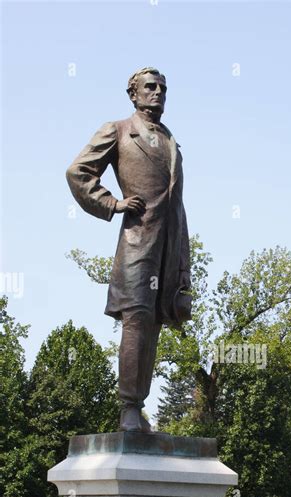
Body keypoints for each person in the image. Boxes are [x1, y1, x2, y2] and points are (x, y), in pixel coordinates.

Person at [66, 66, 191, 432]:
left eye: (163, 88)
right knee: (136, 319)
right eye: (149, 87)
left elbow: (178, 206)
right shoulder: (118, 131)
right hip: (137, 243)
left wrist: (184, 266)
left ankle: (140, 408)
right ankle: (129, 409)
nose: (157, 93)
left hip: (169, 247)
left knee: (153, 324)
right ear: (133, 94)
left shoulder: (170, 142)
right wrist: (112, 203)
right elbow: (78, 172)